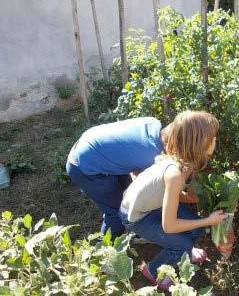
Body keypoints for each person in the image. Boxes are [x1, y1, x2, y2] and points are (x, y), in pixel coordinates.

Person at [119, 110, 226, 291]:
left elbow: (170, 194)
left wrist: (191, 198)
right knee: (184, 243)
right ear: (200, 143)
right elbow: (169, 226)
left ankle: (181, 249)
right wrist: (209, 220)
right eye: (212, 138)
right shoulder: (175, 173)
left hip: (151, 206)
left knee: (195, 227)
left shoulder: (183, 162)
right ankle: (153, 272)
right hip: (136, 217)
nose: (215, 141)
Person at [66, 116, 172, 239]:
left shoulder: (153, 123)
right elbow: (145, 184)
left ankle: (137, 231)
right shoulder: (152, 156)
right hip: (83, 165)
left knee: (129, 198)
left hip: (92, 145)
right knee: (117, 213)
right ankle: (103, 251)